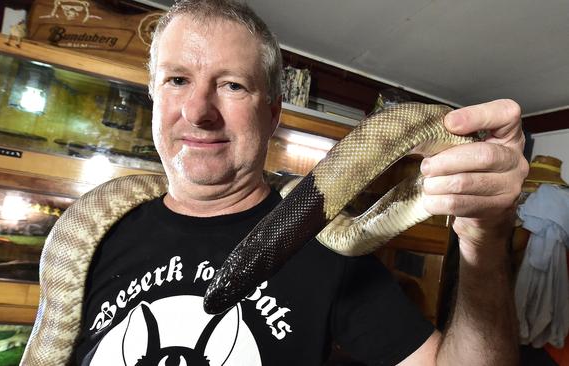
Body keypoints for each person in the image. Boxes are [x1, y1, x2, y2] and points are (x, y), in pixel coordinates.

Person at [72, 0, 528, 365]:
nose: (198, 111)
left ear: (273, 114)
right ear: (153, 98)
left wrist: (485, 237)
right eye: (176, 79)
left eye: (232, 85)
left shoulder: (327, 247)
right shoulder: (91, 235)